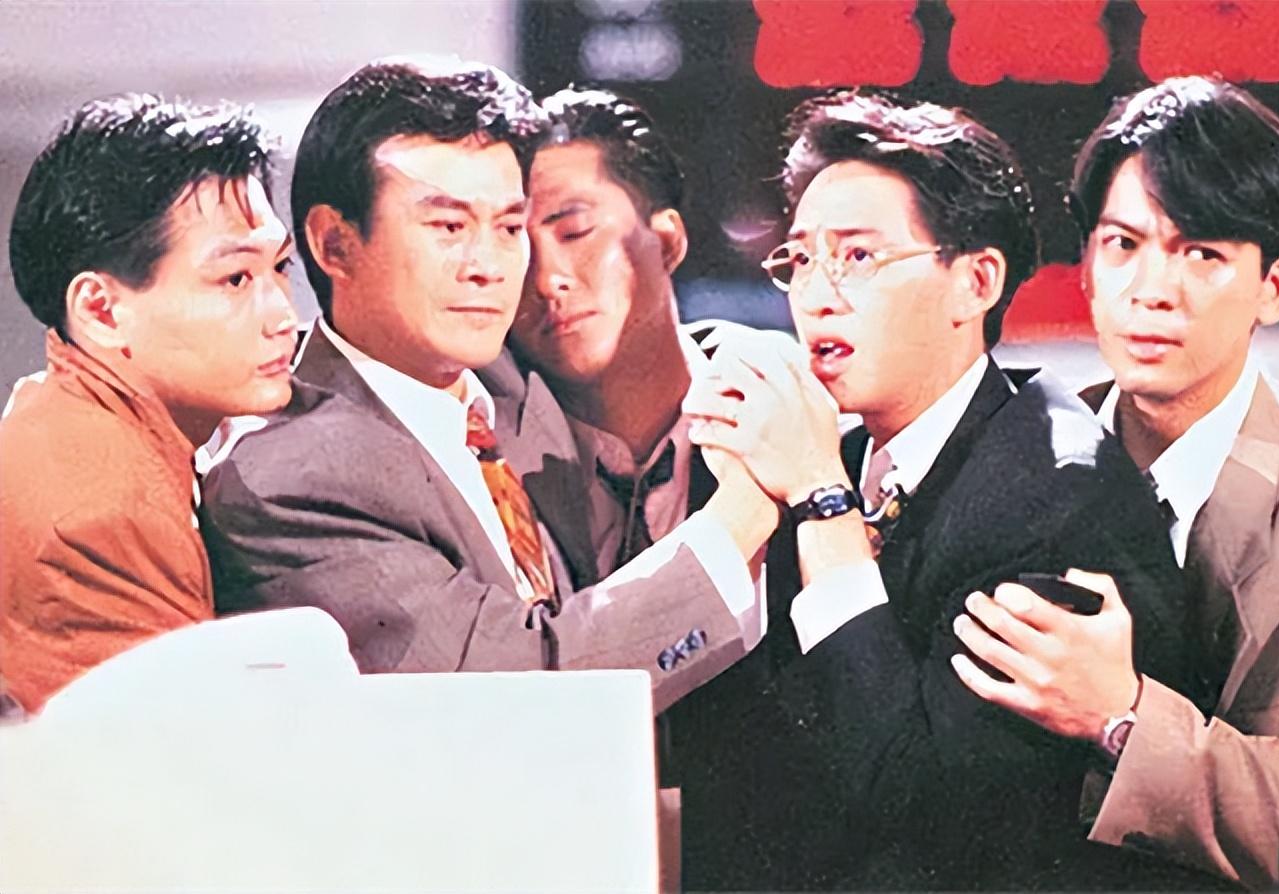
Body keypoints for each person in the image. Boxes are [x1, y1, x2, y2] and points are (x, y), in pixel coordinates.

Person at [675, 90, 1206, 889]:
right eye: (801, 260)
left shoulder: (1060, 496)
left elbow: (926, 815)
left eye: (857, 257)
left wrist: (822, 501)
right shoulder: (828, 455)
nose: (816, 294)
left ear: (976, 282)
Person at [200, 60, 775, 713]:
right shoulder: (285, 480)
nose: (489, 267)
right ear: (335, 245)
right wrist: (747, 510)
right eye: (448, 227)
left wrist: (755, 366)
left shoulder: (499, 377)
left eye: (507, 228)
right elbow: (523, 692)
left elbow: (657, 344)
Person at [956, 76, 1279, 890]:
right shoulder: (1008, 454)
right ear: (1087, 265)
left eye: (1201, 254)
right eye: (1123, 244)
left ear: (1275, 286)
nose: (1152, 290)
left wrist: (1124, 717)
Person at [0, 94, 298, 713]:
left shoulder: (66, 415)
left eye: (281, 267)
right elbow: (175, 757)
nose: (283, 317)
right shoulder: (100, 516)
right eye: (236, 279)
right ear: (101, 311)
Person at [505, 86, 749, 580]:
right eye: (516, 248)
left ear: (667, 240)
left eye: (575, 233)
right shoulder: (484, 465)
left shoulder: (785, 427)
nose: (547, 280)